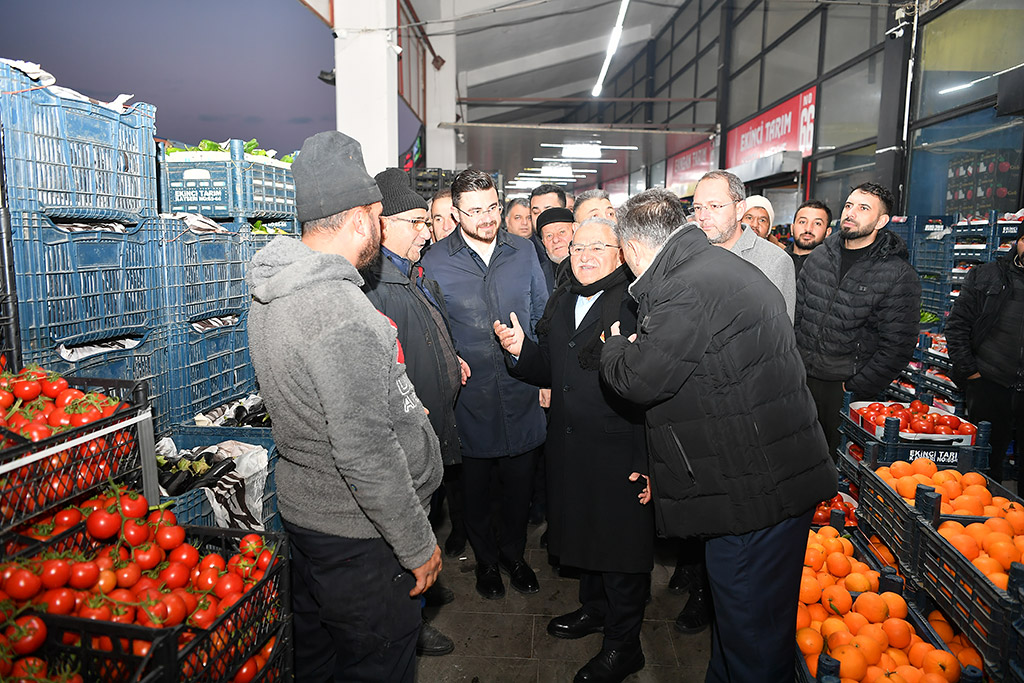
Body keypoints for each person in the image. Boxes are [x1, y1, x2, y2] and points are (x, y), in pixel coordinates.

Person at [599, 188, 837, 683]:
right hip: (768, 475)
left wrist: (616, 347)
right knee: (742, 626)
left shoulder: (685, 288)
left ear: (634, 248)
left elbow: (638, 379)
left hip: (752, 492)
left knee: (752, 636)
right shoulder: (713, 267)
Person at [247, 131, 443, 682]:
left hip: (310, 520)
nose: (380, 228)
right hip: (362, 539)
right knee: (377, 665)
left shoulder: (274, 290)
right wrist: (417, 545)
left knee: (318, 660)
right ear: (360, 219)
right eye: (379, 218)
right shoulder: (341, 312)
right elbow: (364, 451)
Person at [494, 216, 653, 683]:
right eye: (577, 248)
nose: (584, 256)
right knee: (586, 536)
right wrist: (520, 349)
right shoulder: (564, 297)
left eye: (597, 247)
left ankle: (625, 646)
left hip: (620, 450)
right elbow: (552, 368)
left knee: (620, 551)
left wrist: (648, 461)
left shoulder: (637, 302)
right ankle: (594, 609)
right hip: (570, 447)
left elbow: (655, 388)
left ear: (620, 253)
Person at [420, 169, 549, 600]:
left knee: (519, 490)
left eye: (492, 207)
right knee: (475, 494)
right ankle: (487, 564)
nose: (487, 217)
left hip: (521, 391)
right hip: (469, 400)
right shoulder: (435, 261)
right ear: (456, 213)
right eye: (475, 210)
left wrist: (542, 369)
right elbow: (431, 329)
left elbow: (541, 317)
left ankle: (515, 557)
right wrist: (449, 358)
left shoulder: (523, 251)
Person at [360, 168, 469, 657]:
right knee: (405, 529)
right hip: (407, 434)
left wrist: (450, 358)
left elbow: (426, 332)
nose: (427, 232)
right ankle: (409, 621)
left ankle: (419, 594)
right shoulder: (377, 285)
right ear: (383, 224)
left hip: (430, 427)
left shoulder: (409, 273)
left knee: (424, 519)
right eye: (417, 223)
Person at [794, 182, 921, 455]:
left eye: (864, 208)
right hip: (803, 380)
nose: (851, 213)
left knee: (835, 463)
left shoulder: (897, 273)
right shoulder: (819, 257)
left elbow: (898, 345)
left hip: (845, 389)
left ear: (881, 221)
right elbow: (797, 315)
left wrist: (856, 386)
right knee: (796, 455)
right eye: (849, 205)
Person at [945, 222, 1024, 486]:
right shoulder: (987, 275)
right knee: (985, 467)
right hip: (989, 383)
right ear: (1018, 242)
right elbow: (957, 325)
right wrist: (971, 373)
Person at [692, 171, 796, 321]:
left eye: (714, 206)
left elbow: (780, 330)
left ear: (739, 209)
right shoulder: (690, 255)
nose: (702, 216)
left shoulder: (775, 261)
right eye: (697, 207)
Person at [787, 200, 832, 280]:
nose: (808, 229)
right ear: (792, 228)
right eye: (802, 222)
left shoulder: (832, 267)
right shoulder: (777, 260)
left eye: (817, 223)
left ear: (827, 232)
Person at [536, 207, 575, 293]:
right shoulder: (538, 276)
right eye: (549, 236)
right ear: (543, 242)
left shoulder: (590, 266)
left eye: (562, 232)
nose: (556, 240)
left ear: (575, 233)